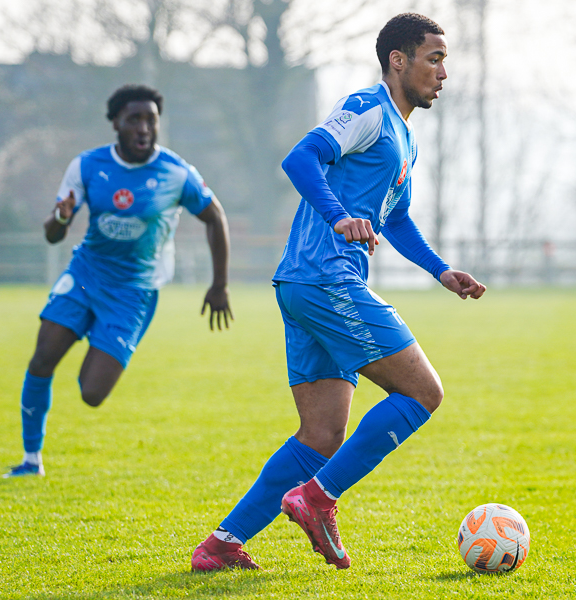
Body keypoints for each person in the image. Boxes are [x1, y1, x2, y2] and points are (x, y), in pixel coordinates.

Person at [191, 13, 485, 572]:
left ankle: (222, 544)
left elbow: (393, 220)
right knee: (423, 392)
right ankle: (317, 499)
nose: (443, 73)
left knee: (322, 433)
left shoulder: (404, 138)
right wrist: (339, 215)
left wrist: (441, 270)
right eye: (434, 59)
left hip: (305, 284)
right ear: (398, 60)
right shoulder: (366, 108)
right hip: (327, 279)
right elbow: (300, 158)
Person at [3, 84, 232, 478]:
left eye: (151, 120)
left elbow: (216, 218)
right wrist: (60, 218)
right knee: (42, 359)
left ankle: (99, 338)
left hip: (134, 293)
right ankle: (30, 460)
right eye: (134, 119)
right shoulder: (87, 166)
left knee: (91, 394)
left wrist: (219, 284)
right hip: (85, 277)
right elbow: (53, 234)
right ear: (116, 124)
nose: (144, 128)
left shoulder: (176, 173)